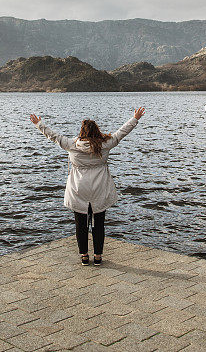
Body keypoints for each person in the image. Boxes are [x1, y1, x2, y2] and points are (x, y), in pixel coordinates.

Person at [29, 107, 145, 266]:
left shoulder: (71, 144)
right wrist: (135, 119)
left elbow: (53, 135)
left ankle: (84, 256)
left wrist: (39, 124)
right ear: (97, 131)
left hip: (79, 189)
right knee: (99, 223)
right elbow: (121, 133)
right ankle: (97, 256)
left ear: (82, 131)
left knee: (80, 224)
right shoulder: (105, 144)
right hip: (99, 188)